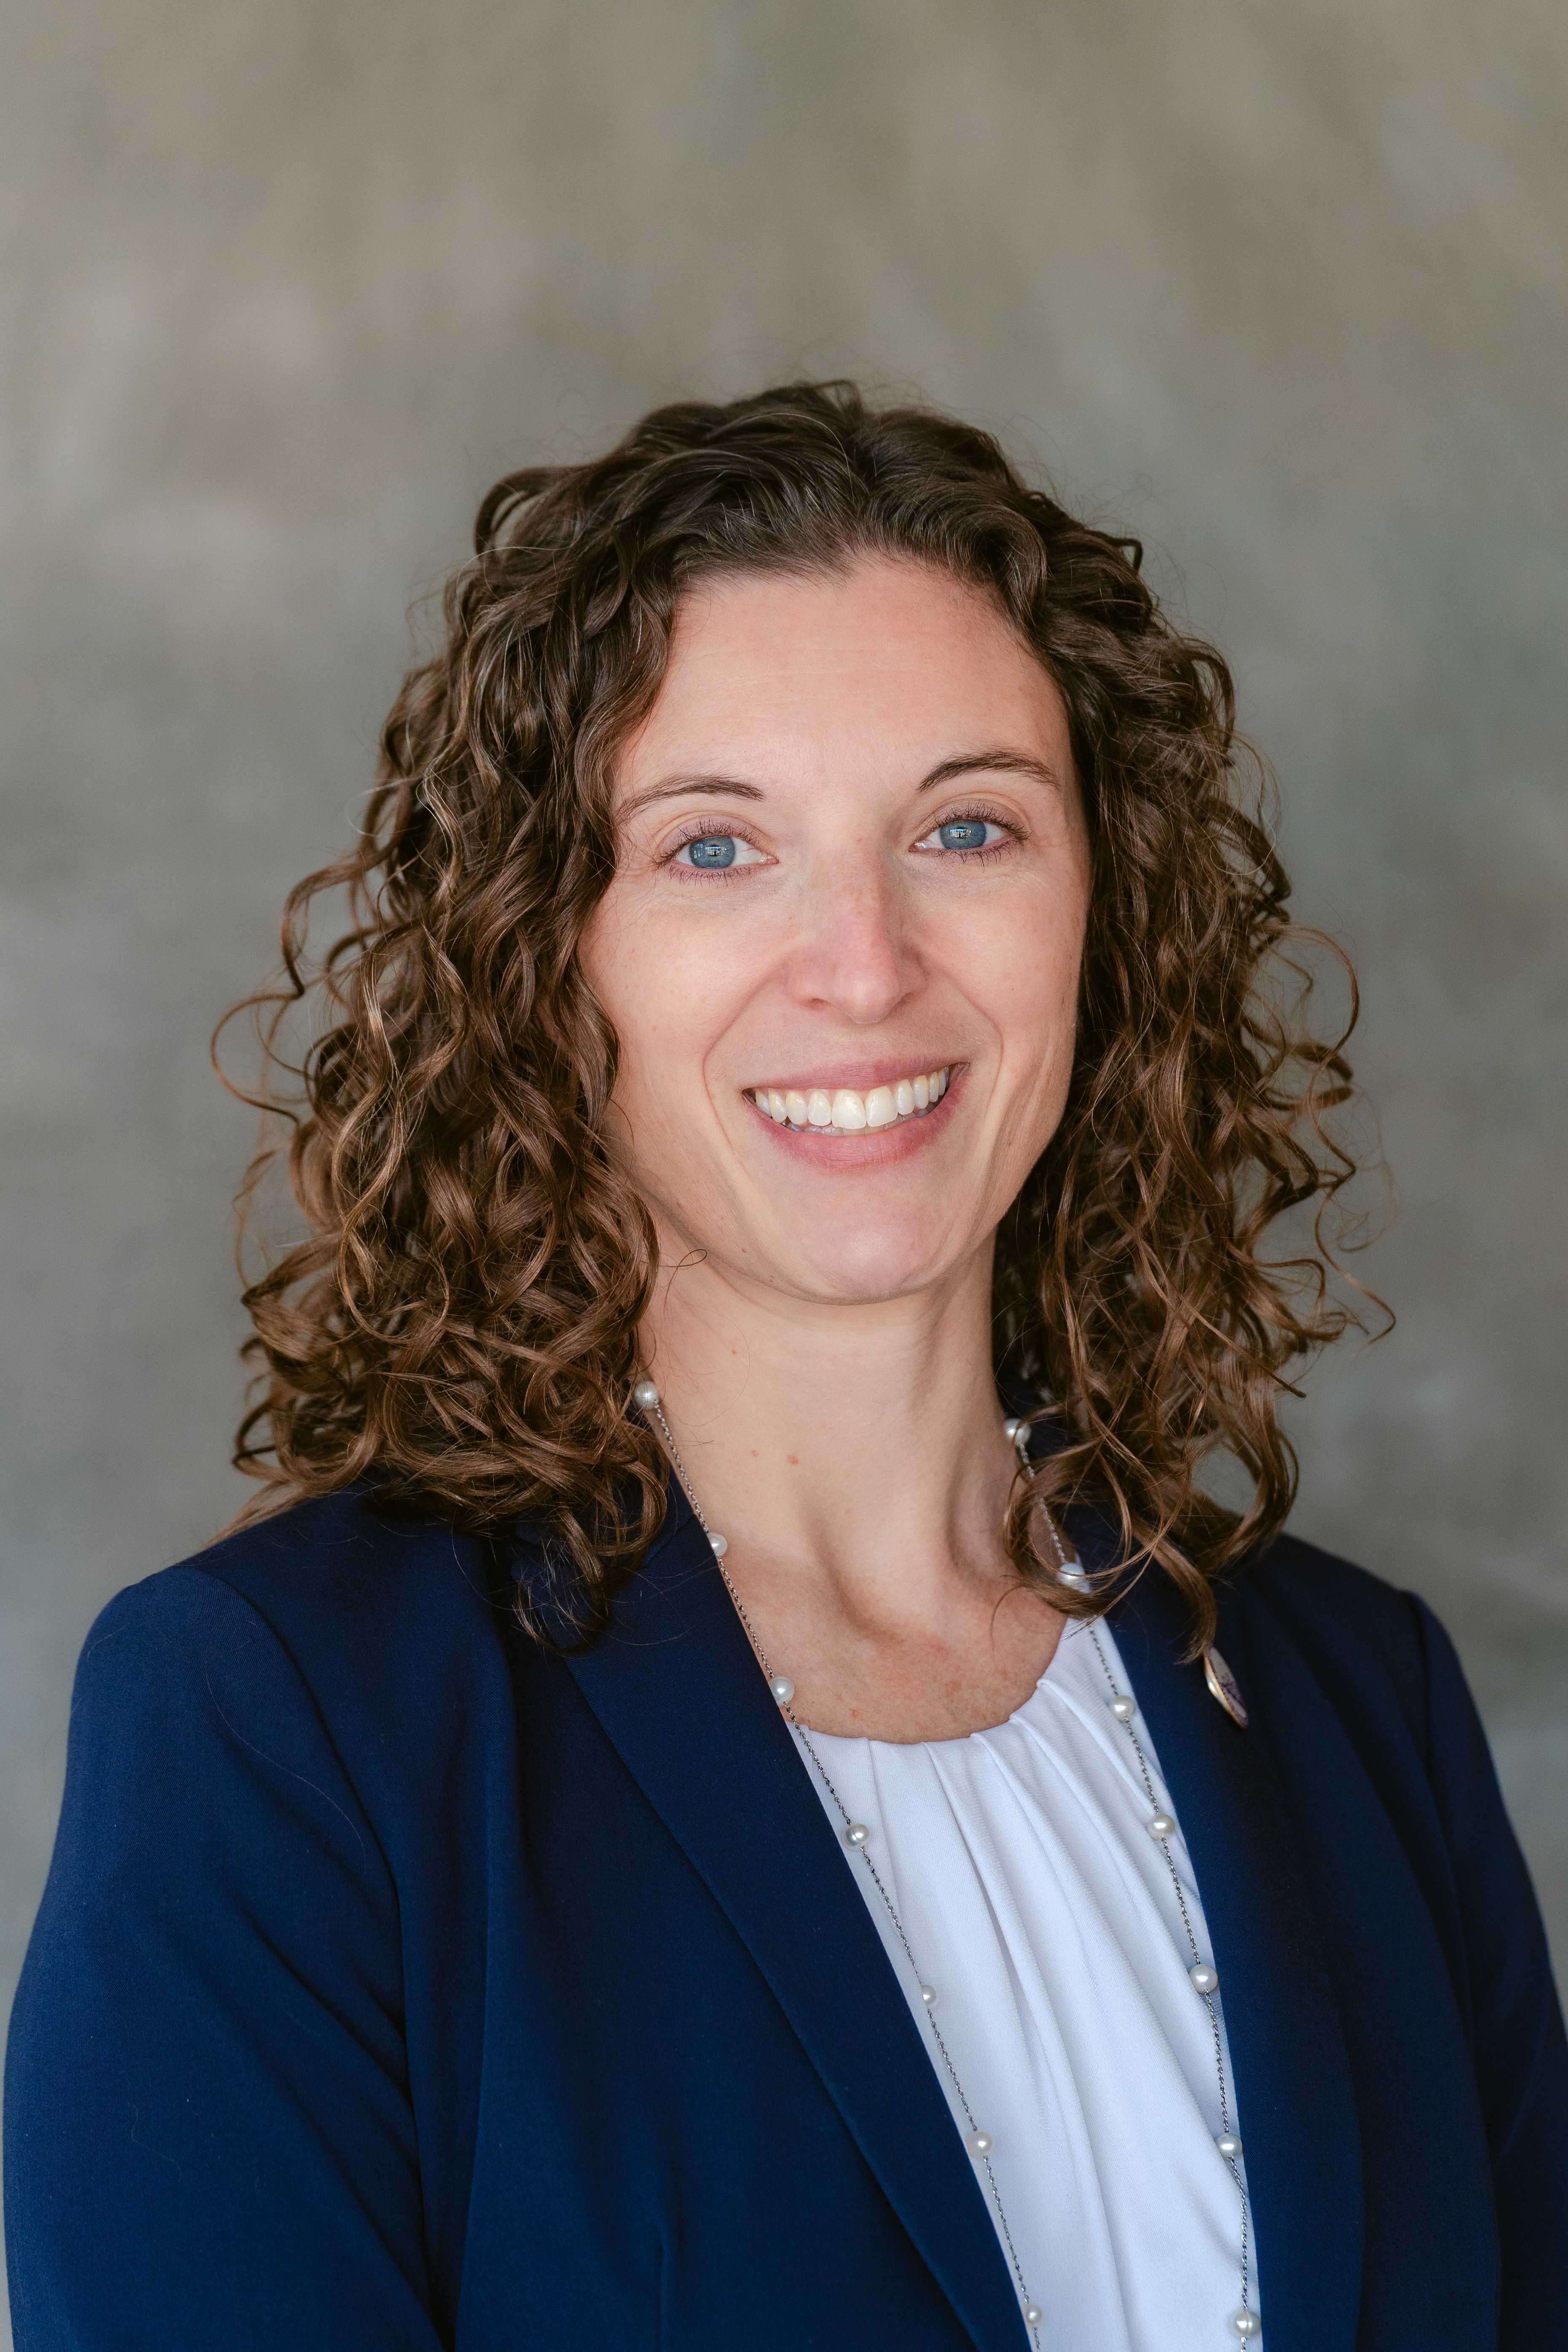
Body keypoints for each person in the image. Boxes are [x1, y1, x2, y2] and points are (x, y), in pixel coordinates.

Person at [5, 382, 1565, 2352]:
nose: (862, 960)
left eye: (969, 825)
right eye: (717, 847)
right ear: (550, 956)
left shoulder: (1369, 1717)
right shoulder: (291, 1735)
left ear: (1108, 910)